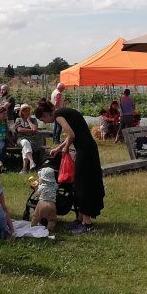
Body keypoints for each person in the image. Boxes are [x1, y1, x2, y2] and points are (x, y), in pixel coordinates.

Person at [35, 99, 104, 234]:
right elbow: (72, 134)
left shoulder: (58, 115)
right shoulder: (63, 112)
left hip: (85, 150)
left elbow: (71, 135)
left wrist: (65, 148)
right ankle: (80, 219)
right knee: (77, 184)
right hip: (86, 148)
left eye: (43, 119)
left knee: (82, 184)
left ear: (45, 114)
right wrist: (59, 148)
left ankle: (87, 224)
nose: (45, 122)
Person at [13, 103, 42, 173]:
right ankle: (31, 161)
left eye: (28, 111)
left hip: (32, 140)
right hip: (21, 139)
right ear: (22, 112)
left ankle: (24, 169)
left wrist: (29, 121)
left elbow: (35, 129)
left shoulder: (33, 120)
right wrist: (31, 130)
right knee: (25, 142)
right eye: (25, 111)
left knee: (25, 147)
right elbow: (19, 130)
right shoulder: (18, 120)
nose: (27, 113)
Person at [31, 162, 58, 231]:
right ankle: (49, 230)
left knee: (36, 217)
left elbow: (37, 194)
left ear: (43, 179)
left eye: (40, 177)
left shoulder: (42, 186)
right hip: (52, 205)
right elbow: (56, 187)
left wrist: (35, 188)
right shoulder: (55, 186)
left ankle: (33, 227)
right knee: (52, 220)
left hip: (41, 204)